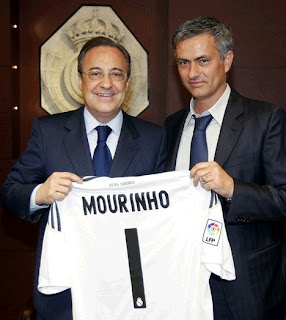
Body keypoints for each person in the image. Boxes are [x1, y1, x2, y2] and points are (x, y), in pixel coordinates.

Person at [1, 36, 166, 320]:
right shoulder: (48, 132)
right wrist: (40, 193)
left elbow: (164, 216)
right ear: (80, 80)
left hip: (130, 294)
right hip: (65, 294)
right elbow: (9, 194)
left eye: (116, 74)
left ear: (127, 83)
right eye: (95, 73)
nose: (106, 83)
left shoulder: (155, 138)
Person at [164, 17, 286, 320]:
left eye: (203, 60)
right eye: (183, 63)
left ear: (227, 60)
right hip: (181, 284)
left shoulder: (266, 119)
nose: (192, 73)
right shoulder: (169, 127)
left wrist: (232, 188)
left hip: (245, 287)